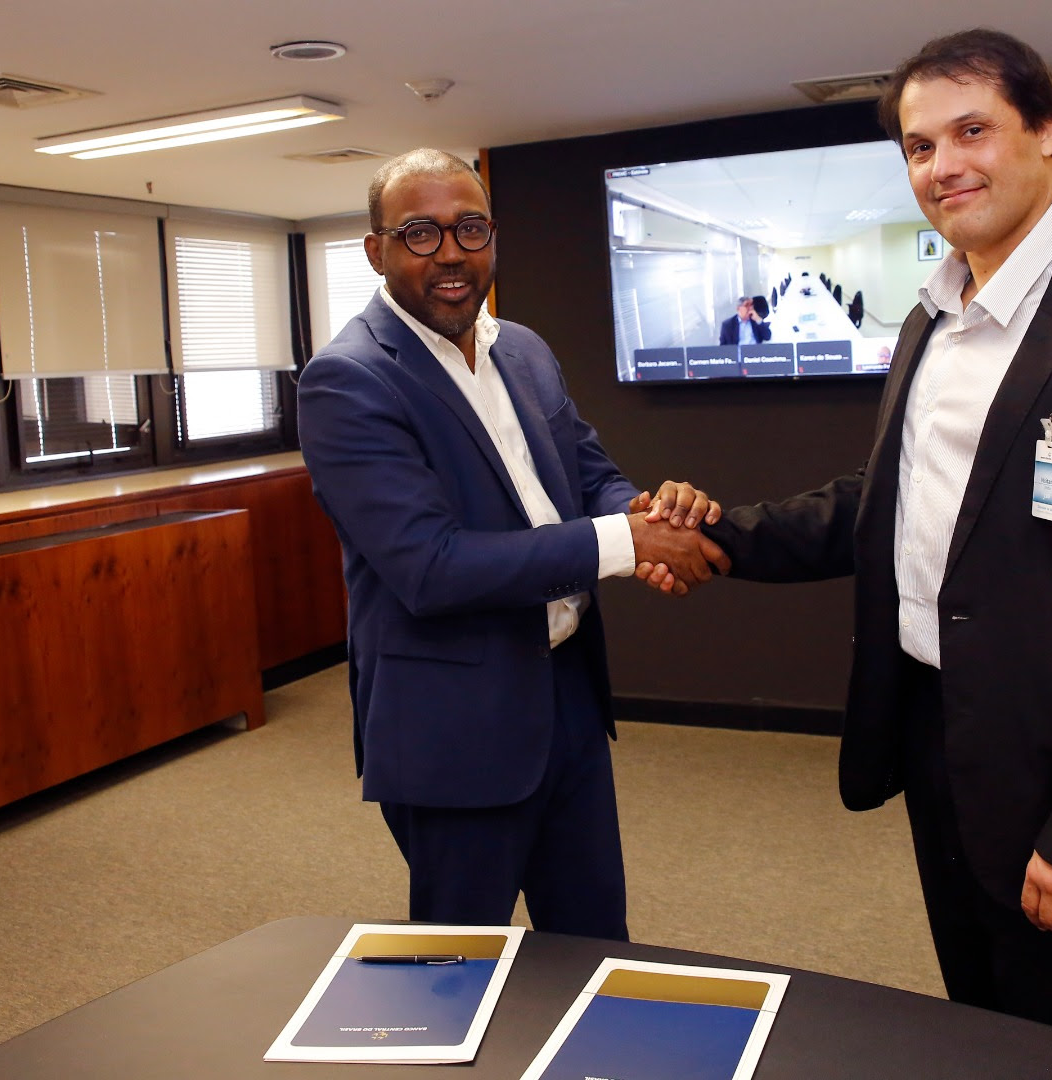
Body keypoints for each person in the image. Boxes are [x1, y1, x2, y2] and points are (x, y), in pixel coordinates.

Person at [697, 28, 1052, 1054]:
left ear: (1047, 128)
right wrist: (716, 537)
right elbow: (897, 501)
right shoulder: (935, 314)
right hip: (942, 734)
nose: (943, 166)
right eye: (920, 146)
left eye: (972, 131)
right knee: (979, 1023)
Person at [297, 148, 728, 941]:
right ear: (376, 251)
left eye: (470, 228)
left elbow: (589, 476)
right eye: (420, 233)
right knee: (459, 967)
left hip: (566, 697)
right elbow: (431, 567)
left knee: (595, 943)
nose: (451, 253)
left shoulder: (522, 349)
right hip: (455, 723)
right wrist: (627, 541)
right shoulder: (348, 380)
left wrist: (650, 515)